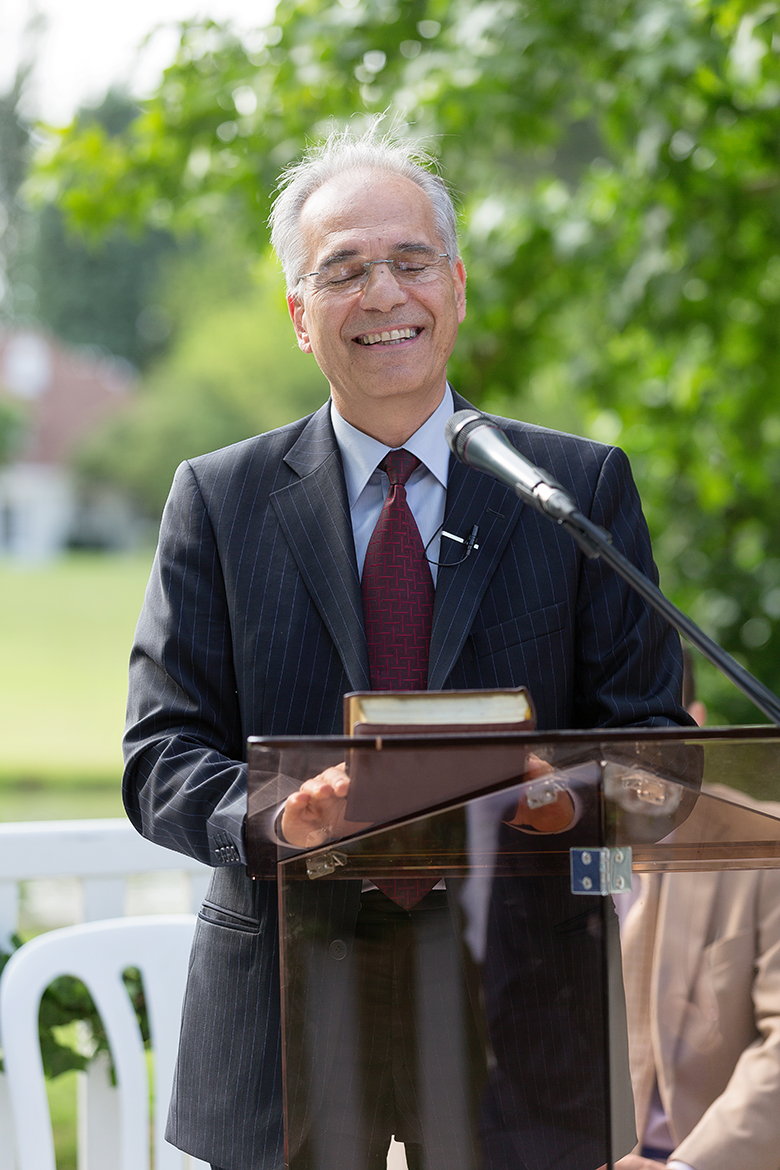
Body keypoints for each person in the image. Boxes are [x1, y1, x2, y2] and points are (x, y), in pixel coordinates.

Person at [122, 122, 692, 1170]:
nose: (383, 293)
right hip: (288, 997)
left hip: (521, 997)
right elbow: (159, 755)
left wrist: (565, 796)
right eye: (343, 270)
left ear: (457, 289)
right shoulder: (217, 498)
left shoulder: (575, 490)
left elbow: (658, 745)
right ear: (300, 315)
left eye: (411, 261)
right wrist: (274, 813)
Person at [617, 654, 780, 1170]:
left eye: (643, 730)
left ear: (696, 724)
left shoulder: (767, 844)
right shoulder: (529, 853)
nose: (620, 756)